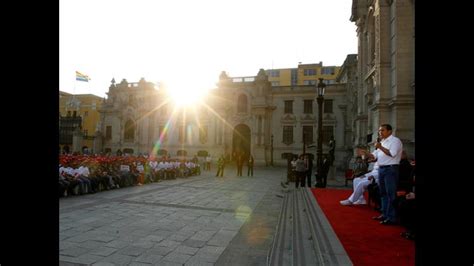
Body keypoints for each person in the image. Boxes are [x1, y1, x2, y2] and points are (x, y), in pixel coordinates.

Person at [363, 124, 403, 225]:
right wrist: (367, 154)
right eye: (379, 131)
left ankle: (392, 217)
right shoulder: (382, 142)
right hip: (381, 169)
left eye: (382, 130)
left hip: (391, 169)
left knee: (391, 194)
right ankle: (384, 214)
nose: (380, 132)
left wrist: (380, 147)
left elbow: (392, 154)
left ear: (389, 131)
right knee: (383, 193)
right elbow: (375, 156)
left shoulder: (395, 141)